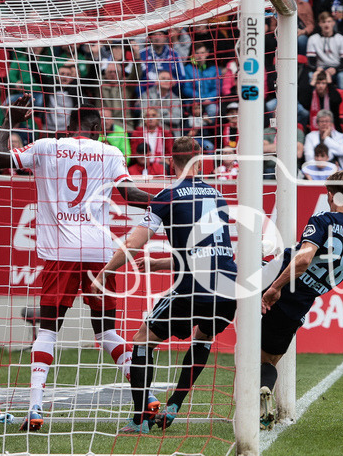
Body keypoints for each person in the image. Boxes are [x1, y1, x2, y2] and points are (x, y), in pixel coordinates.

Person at [0, 100, 153, 431]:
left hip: (60, 251)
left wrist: (10, 121)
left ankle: (35, 409)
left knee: (48, 331)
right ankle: (147, 398)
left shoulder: (47, 146)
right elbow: (129, 193)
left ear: (69, 125)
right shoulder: (108, 153)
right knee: (107, 332)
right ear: (96, 130)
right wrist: (165, 199)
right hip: (99, 250)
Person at [92, 136, 237, 433]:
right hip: (228, 287)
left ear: (172, 161)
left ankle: (141, 419)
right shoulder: (217, 196)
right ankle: (173, 404)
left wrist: (106, 272)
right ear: (200, 161)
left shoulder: (167, 195)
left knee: (143, 340)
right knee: (203, 338)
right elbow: (208, 251)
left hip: (194, 288)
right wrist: (160, 264)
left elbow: (134, 242)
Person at [259, 170, 343, 428]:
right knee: (269, 360)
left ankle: (252, 403)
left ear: (331, 195)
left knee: (249, 356)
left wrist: (275, 288)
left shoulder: (324, 220)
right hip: (300, 306)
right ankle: (263, 392)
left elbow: (303, 260)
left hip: (278, 288)